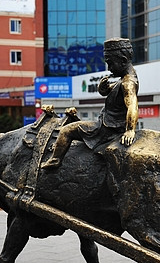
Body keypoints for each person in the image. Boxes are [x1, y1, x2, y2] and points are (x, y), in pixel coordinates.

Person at [43, 38, 139, 168]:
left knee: (66, 130)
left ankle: (55, 160)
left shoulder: (128, 83)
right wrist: (103, 88)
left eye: (110, 64)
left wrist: (130, 130)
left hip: (107, 128)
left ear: (123, 60)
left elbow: (132, 105)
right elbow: (111, 92)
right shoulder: (124, 79)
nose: (109, 68)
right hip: (109, 123)